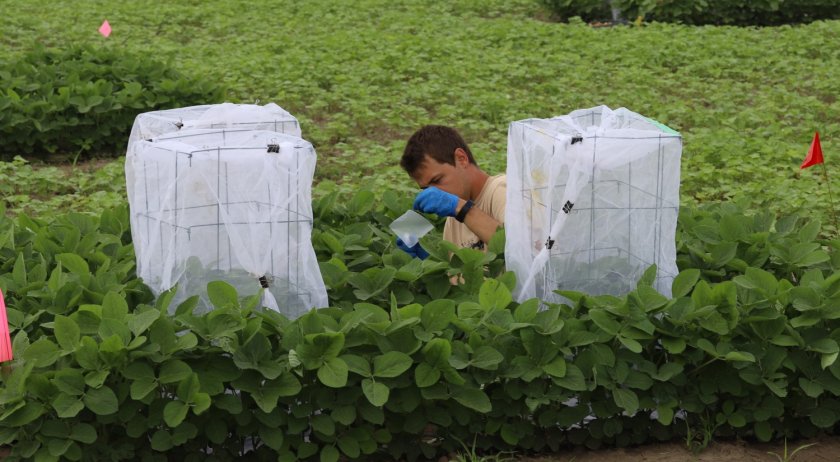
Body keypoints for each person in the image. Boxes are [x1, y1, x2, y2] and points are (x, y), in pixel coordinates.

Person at [397, 125, 506, 258]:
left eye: (437, 180)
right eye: (426, 189)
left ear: (461, 159)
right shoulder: (454, 218)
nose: (435, 192)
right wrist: (430, 261)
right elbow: (459, 276)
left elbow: (524, 252)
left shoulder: (504, 190)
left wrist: (463, 210)